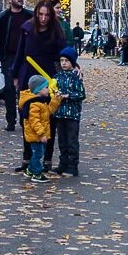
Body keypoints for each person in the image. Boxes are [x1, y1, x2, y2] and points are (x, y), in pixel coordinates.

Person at [12, 0, 68, 172]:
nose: (43, 18)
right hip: (28, 76)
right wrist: (15, 75)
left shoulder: (56, 32)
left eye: (47, 15)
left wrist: (73, 67)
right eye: (40, 14)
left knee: (47, 117)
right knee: (26, 117)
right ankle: (27, 158)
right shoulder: (27, 29)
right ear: (36, 14)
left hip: (48, 76)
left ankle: (46, 159)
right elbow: (20, 52)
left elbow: (64, 53)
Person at [0, 0, 32, 130]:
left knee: (23, 89)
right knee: (8, 88)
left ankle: (23, 119)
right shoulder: (3, 16)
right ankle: (11, 119)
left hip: (26, 58)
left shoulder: (29, 15)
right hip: (8, 56)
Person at [18, 75, 60, 182]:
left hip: (41, 134)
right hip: (36, 135)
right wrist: (41, 134)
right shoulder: (34, 104)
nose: (48, 89)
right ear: (39, 89)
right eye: (46, 87)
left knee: (38, 152)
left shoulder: (41, 101)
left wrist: (56, 99)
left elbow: (49, 111)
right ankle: (37, 173)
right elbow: (34, 121)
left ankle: (30, 170)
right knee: (38, 154)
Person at [51, 47, 86, 177]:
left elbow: (81, 94)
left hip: (72, 114)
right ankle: (63, 164)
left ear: (72, 62)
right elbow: (52, 89)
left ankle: (72, 166)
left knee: (72, 140)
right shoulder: (57, 77)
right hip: (60, 113)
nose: (64, 63)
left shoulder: (75, 77)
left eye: (66, 60)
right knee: (62, 141)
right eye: (61, 60)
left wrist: (68, 95)